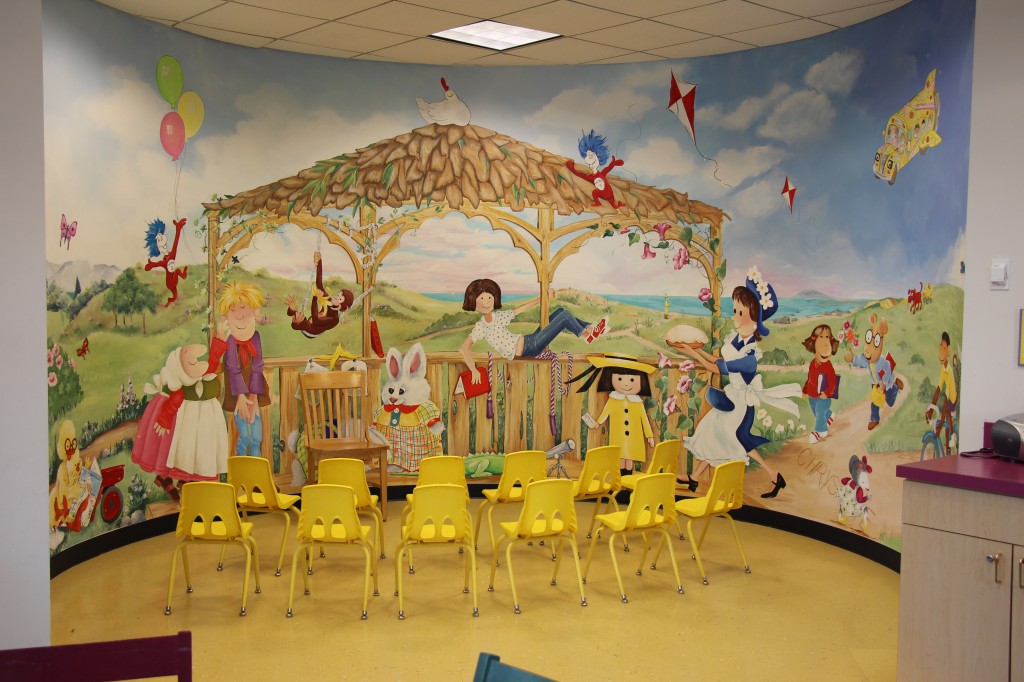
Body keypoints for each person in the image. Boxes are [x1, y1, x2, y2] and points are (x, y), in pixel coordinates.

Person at [675, 267, 801, 498]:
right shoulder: (736, 340)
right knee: (714, 432)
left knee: (732, 438)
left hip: (741, 403)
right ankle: (695, 477)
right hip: (732, 397)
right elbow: (718, 360)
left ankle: (773, 475)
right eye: (735, 311)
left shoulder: (750, 356)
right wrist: (697, 349)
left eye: (740, 313)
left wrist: (692, 353)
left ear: (755, 322)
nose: (734, 317)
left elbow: (719, 367)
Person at [459, 279, 608, 384]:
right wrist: (474, 370)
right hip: (529, 347)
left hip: (529, 340)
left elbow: (521, 309)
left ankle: (590, 329)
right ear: (473, 301)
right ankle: (587, 334)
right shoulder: (481, 327)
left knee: (560, 311)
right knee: (565, 316)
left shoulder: (498, 317)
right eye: (481, 298)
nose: (486, 302)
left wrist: (543, 298)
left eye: (489, 297)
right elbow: (464, 349)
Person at [572, 353, 656, 473]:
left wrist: (649, 436)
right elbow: (605, 412)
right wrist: (597, 423)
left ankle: (628, 478)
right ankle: (621, 478)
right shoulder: (613, 399)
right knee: (620, 457)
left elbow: (644, 419)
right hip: (618, 435)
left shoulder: (637, 402)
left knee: (630, 457)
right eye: (620, 379)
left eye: (632, 380)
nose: (626, 384)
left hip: (634, 437)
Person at [219, 281, 270, 456]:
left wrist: (253, 397)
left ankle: (257, 469)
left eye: (243, 308)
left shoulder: (255, 336)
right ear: (226, 318)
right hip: (237, 395)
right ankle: (240, 467)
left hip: (253, 393)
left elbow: (257, 366)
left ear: (255, 312)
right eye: (233, 310)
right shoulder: (230, 340)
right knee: (245, 437)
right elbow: (232, 367)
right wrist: (241, 397)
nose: (240, 315)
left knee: (257, 438)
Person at [284, 251, 354, 338]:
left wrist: (315, 299)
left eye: (340, 299)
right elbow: (319, 285)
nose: (337, 297)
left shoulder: (334, 319)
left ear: (342, 307)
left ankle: (295, 324)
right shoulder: (329, 301)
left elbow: (316, 321)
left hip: (311, 331)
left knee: (304, 323)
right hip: (306, 323)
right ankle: (291, 311)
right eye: (338, 295)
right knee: (297, 314)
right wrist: (319, 262)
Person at [802, 324, 839, 444]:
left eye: (827, 337)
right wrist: (805, 390)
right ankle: (829, 415)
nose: (824, 343)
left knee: (819, 412)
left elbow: (832, 382)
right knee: (816, 412)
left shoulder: (828, 366)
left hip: (823, 397)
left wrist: (827, 393)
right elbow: (809, 378)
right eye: (821, 337)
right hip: (812, 395)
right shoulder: (813, 363)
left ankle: (820, 431)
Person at [926, 331, 958, 453]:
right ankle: (948, 447)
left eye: (944, 348)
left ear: (948, 351)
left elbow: (947, 399)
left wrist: (940, 426)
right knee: (944, 419)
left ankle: (953, 436)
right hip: (947, 398)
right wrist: (931, 408)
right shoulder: (943, 369)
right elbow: (938, 389)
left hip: (952, 399)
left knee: (946, 412)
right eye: (941, 346)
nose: (941, 351)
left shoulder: (949, 371)